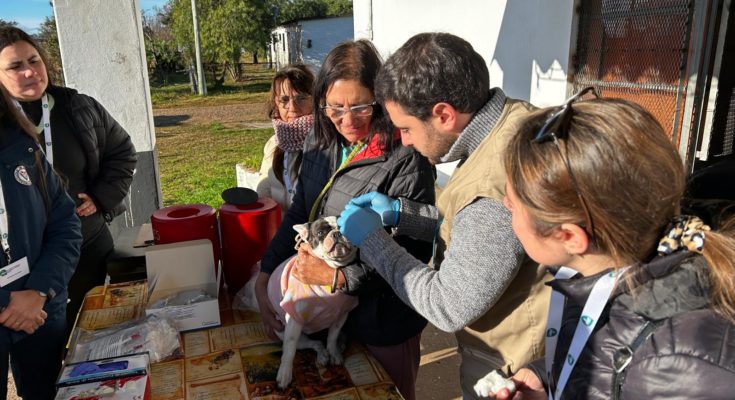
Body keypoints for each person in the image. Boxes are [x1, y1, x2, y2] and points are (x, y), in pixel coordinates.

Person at [335, 32, 551, 398]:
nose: (404, 140)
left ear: (444, 114)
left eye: (406, 128)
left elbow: (447, 304)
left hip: (510, 371)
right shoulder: (511, 123)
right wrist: (404, 215)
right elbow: (476, 234)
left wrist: (371, 240)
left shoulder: (493, 185)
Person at [489, 95, 735, 399]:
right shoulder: (603, 277)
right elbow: (613, 352)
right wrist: (549, 379)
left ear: (570, 237)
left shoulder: (683, 368)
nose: (504, 204)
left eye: (513, 206)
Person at [256, 40, 435, 400]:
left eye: (361, 107)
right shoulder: (321, 141)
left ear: (382, 99)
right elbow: (300, 211)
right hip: (333, 317)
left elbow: (411, 252)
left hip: (383, 321)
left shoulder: (405, 158)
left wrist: (339, 277)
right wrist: (264, 275)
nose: (347, 120)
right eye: (335, 107)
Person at [0, 27, 137, 337]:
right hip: (28, 262)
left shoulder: (78, 107)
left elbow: (123, 153)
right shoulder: (4, 127)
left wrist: (101, 198)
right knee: (43, 346)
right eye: (15, 66)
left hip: (86, 241)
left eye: (34, 61)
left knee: (94, 331)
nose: (30, 72)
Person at [0, 82, 82, 397]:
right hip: (18, 307)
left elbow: (64, 224)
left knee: (48, 392)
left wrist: (39, 290)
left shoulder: (23, 146)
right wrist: (8, 304)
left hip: (40, 310)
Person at [257, 64, 315, 211]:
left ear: (314, 100)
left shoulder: (326, 143)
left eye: (301, 98)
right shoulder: (273, 144)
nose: (293, 107)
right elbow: (263, 192)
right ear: (276, 104)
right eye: (284, 100)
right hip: (278, 231)